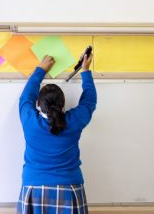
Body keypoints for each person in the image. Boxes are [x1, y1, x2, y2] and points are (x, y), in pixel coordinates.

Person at [17, 53, 96, 214]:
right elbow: (89, 101)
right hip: (69, 188)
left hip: (34, 188)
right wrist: (85, 70)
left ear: (38, 104)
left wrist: (40, 70)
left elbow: (25, 98)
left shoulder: (30, 121)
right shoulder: (74, 121)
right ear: (63, 104)